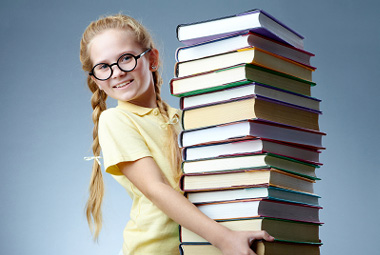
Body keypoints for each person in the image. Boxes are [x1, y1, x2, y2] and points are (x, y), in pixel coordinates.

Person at [79, 14, 274, 255]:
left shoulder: (185, 119)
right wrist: (224, 239)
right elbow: (155, 188)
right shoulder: (115, 120)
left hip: (201, 246)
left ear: (152, 59)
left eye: (126, 58)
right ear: (96, 80)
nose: (117, 72)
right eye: (103, 67)